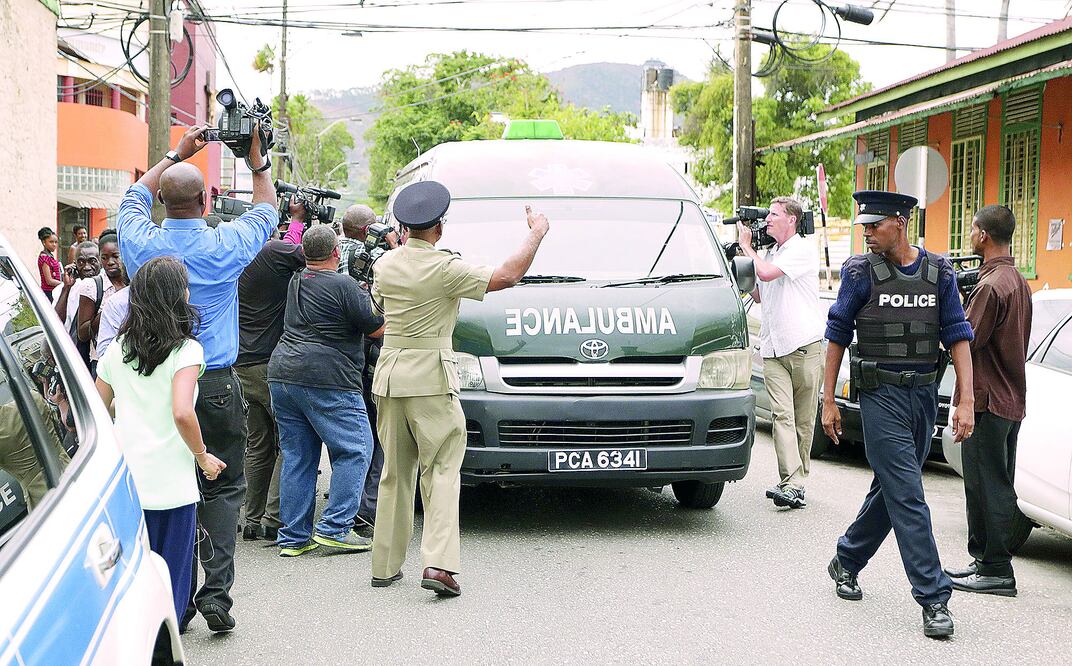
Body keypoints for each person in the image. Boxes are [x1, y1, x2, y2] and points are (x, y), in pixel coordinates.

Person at [117, 123, 276, 633]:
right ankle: (217, 594)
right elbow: (268, 210)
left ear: (164, 201)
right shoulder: (225, 244)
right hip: (214, 384)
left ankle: (177, 598)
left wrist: (174, 153)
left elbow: (133, 197)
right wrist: (256, 162)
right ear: (206, 200)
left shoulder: (141, 243)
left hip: (156, 382)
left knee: (174, 489)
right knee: (225, 488)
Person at [369, 180, 549, 596]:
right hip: (431, 378)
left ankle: (384, 563)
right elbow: (508, 276)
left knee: (395, 473)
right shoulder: (445, 268)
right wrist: (536, 232)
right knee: (443, 469)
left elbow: (379, 307)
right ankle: (438, 565)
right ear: (439, 228)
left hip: (391, 376)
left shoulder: (386, 265)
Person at [821, 190, 975, 639]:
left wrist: (965, 399)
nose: (866, 232)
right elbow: (836, 333)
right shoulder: (858, 272)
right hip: (879, 396)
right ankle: (933, 598)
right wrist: (829, 400)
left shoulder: (939, 272)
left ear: (901, 223)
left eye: (875, 225)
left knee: (892, 490)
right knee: (908, 493)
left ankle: (846, 559)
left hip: (924, 396)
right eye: (864, 226)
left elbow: (958, 335)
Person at [95, 256, 227, 623]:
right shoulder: (186, 350)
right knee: (172, 580)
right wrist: (202, 455)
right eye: (184, 286)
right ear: (175, 297)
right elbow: (183, 412)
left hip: (128, 482)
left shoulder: (116, 349)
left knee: (135, 574)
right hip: (172, 485)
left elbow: (96, 409)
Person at [267, 225, 384, 556]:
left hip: (282, 374)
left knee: (298, 455)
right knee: (356, 448)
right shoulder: (345, 285)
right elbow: (376, 328)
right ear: (336, 253)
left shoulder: (294, 282)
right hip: (327, 377)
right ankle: (335, 529)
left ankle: (293, 537)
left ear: (305, 254)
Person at [944, 205, 1032, 597]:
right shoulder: (1017, 280)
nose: (970, 233)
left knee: (987, 486)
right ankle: (984, 563)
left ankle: (996, 569)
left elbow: (965, 340)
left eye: (972, 228)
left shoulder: (992, 285)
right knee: (994, 482)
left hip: (989, 399)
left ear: (983, 236)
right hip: (1009, 398)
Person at [736, 197, 823, 510]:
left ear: (792, 220)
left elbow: (771, 274)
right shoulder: (770, 253)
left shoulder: (800, 249)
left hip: (804, 346)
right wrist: (741, 267)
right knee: (781, 416)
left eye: (773, 215)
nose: (767, 220)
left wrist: (748, 248)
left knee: (803, 420)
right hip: (773, 348)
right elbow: (760, 293)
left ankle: (798, 480)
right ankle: (791, 482)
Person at [235, 200, 308, 542]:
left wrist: (291, 224)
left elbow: (288, 247)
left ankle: (250, 518)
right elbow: (309, 253)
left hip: (239, 365)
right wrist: (298, 219)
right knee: (288, 442)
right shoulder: (272, 253)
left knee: (257, 444)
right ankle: (274, 517)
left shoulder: (233, 255)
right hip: (268, 366)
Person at [338, 204, 400, 538]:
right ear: (368, 231)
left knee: (354, 434)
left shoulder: (332, 254)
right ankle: (369, 508)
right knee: (377, 434)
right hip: (374, 351)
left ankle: (350, 500)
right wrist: (394, 245)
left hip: (343, 357)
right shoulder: (380, 260)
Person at [76, 231, 128, 376]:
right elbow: (82, 333)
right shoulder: (92, 286)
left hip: (131, 361)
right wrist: (109, 309)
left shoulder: (134, 283)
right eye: (104, 258)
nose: (110, 262)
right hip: (102, 361)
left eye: (115, 256)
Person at [53, 241, 101, 368]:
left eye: (92, 261)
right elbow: (55, 322)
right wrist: (66, 288)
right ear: (74, 264)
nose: (86, 267)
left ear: (100, 261)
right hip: (73, 357)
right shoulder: (66, 289)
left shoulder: (105, 287)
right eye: (81, 262)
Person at [37, 227, 62, 301]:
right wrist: (64, 284)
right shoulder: (44, 258)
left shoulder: (50, 256)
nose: (54, 244)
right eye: (51, 242)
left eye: (56, 242)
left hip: (54, 291)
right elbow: (49, 280)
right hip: (49, 293)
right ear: (44, 242)